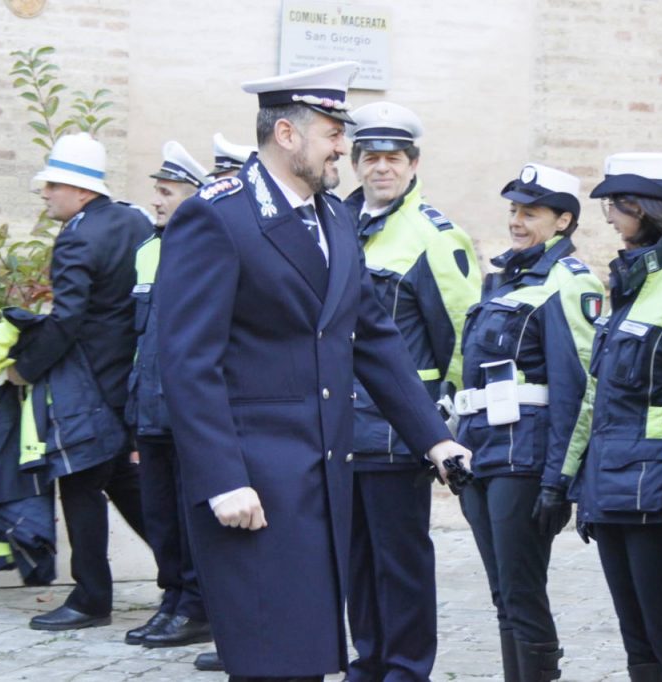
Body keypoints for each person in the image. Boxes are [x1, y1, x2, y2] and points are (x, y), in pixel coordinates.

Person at [155, 61, 470, 682]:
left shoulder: (333, 218)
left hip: (323, 472)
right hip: (253, 481)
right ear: (288, 135)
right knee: (274, 656)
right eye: (332, 132)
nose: (342, 148)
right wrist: (223, 478)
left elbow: (372, 336)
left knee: (307, 651)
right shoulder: (219, 216)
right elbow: (189, 361)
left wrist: (433, 436)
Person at [343, 101, 482, 681]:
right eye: (370, 157)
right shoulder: (334, 221)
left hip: (399, 426)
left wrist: (437, 421)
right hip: (340, 425)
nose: (381, 168)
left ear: (413, 163)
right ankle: (368, 658)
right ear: (354, 162)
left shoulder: (432, 233)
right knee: (356, 558)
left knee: (400, 559)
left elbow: (462, 330)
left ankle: (405, 666)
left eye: (392, 158)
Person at [456, 163, 604, 682]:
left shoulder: (570, 281)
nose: (517, 221)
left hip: (525, 458)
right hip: (481, 451)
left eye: (531, 213)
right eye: (514, 210)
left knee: (521, 591)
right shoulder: (502, 277)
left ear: (563, 221)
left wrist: (559, 480)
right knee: (502, 594)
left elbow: (579, 389)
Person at [575, 153, 662, 682]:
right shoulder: (635, 281)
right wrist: (583, 490)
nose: (609, 216)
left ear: (647, 208)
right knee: (638, 644)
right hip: (614, 490)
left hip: (660, 498)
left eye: (617, 205)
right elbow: (606, 401)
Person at [9, 132, 152, 630]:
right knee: (125, 482)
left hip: (87, 383)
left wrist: (23, 368)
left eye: (52, 186)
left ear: (80, 190)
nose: (45, 194)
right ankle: (192, 576)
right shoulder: (135, 220)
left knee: (79, 483)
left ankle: (92, 598)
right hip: (129, 377)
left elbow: (67, 319)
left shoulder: (76, 236)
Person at [122, 141, 213, 648]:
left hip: (187, 410)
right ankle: (172, 597)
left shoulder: (204, 247)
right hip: (151, 408)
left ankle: (196, 606)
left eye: (166, 192)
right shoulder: (147, 251)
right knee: (160, 516)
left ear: (194, 197)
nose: (155, 201)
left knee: (189, 514)